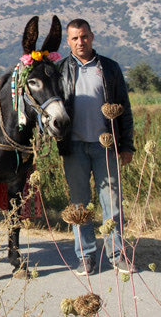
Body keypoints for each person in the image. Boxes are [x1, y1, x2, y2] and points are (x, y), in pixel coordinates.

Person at [57, 18, 136, 276]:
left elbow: (124, 108)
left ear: (92, 36)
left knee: (111, 203)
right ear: (68, 42)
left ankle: (117, 254)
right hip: (75, 147)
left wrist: (127, 146)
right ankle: (86, 257)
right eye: (75, 38)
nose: (81, 42)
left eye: (85, 36)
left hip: (107, 146)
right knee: (79, 206)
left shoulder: (110, 68)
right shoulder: (60, 71)